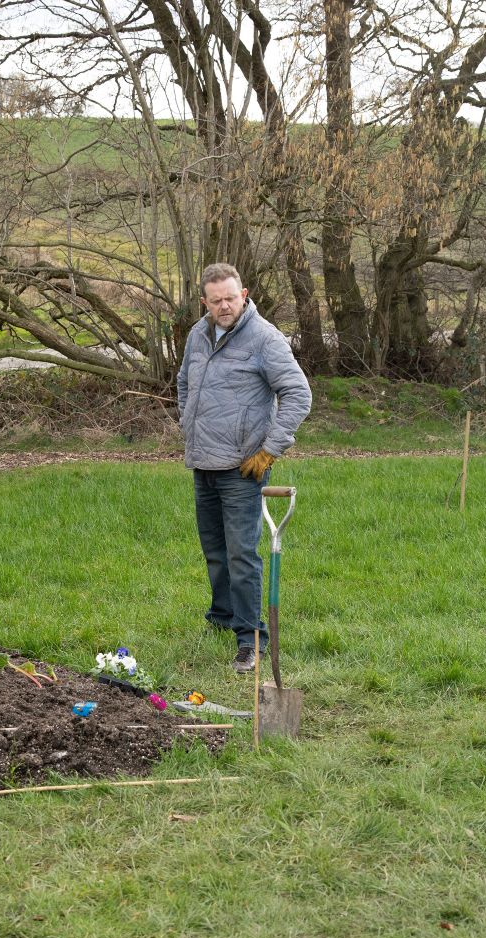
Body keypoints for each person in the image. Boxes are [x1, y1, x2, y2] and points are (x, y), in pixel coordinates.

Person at [176, 263, 311, 673]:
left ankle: (250, 639)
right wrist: (187, 423)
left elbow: (298, 394)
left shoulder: (264, 338)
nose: (224, 306)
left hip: (243, 469)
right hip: (203, 463)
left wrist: (269, 451)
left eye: (231, 298)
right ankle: (221, 618)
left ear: (245, 294)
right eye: (215, 300)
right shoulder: (198, 334)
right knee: (215, 551)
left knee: (242, 555)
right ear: (204, 301)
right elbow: (184, 382)